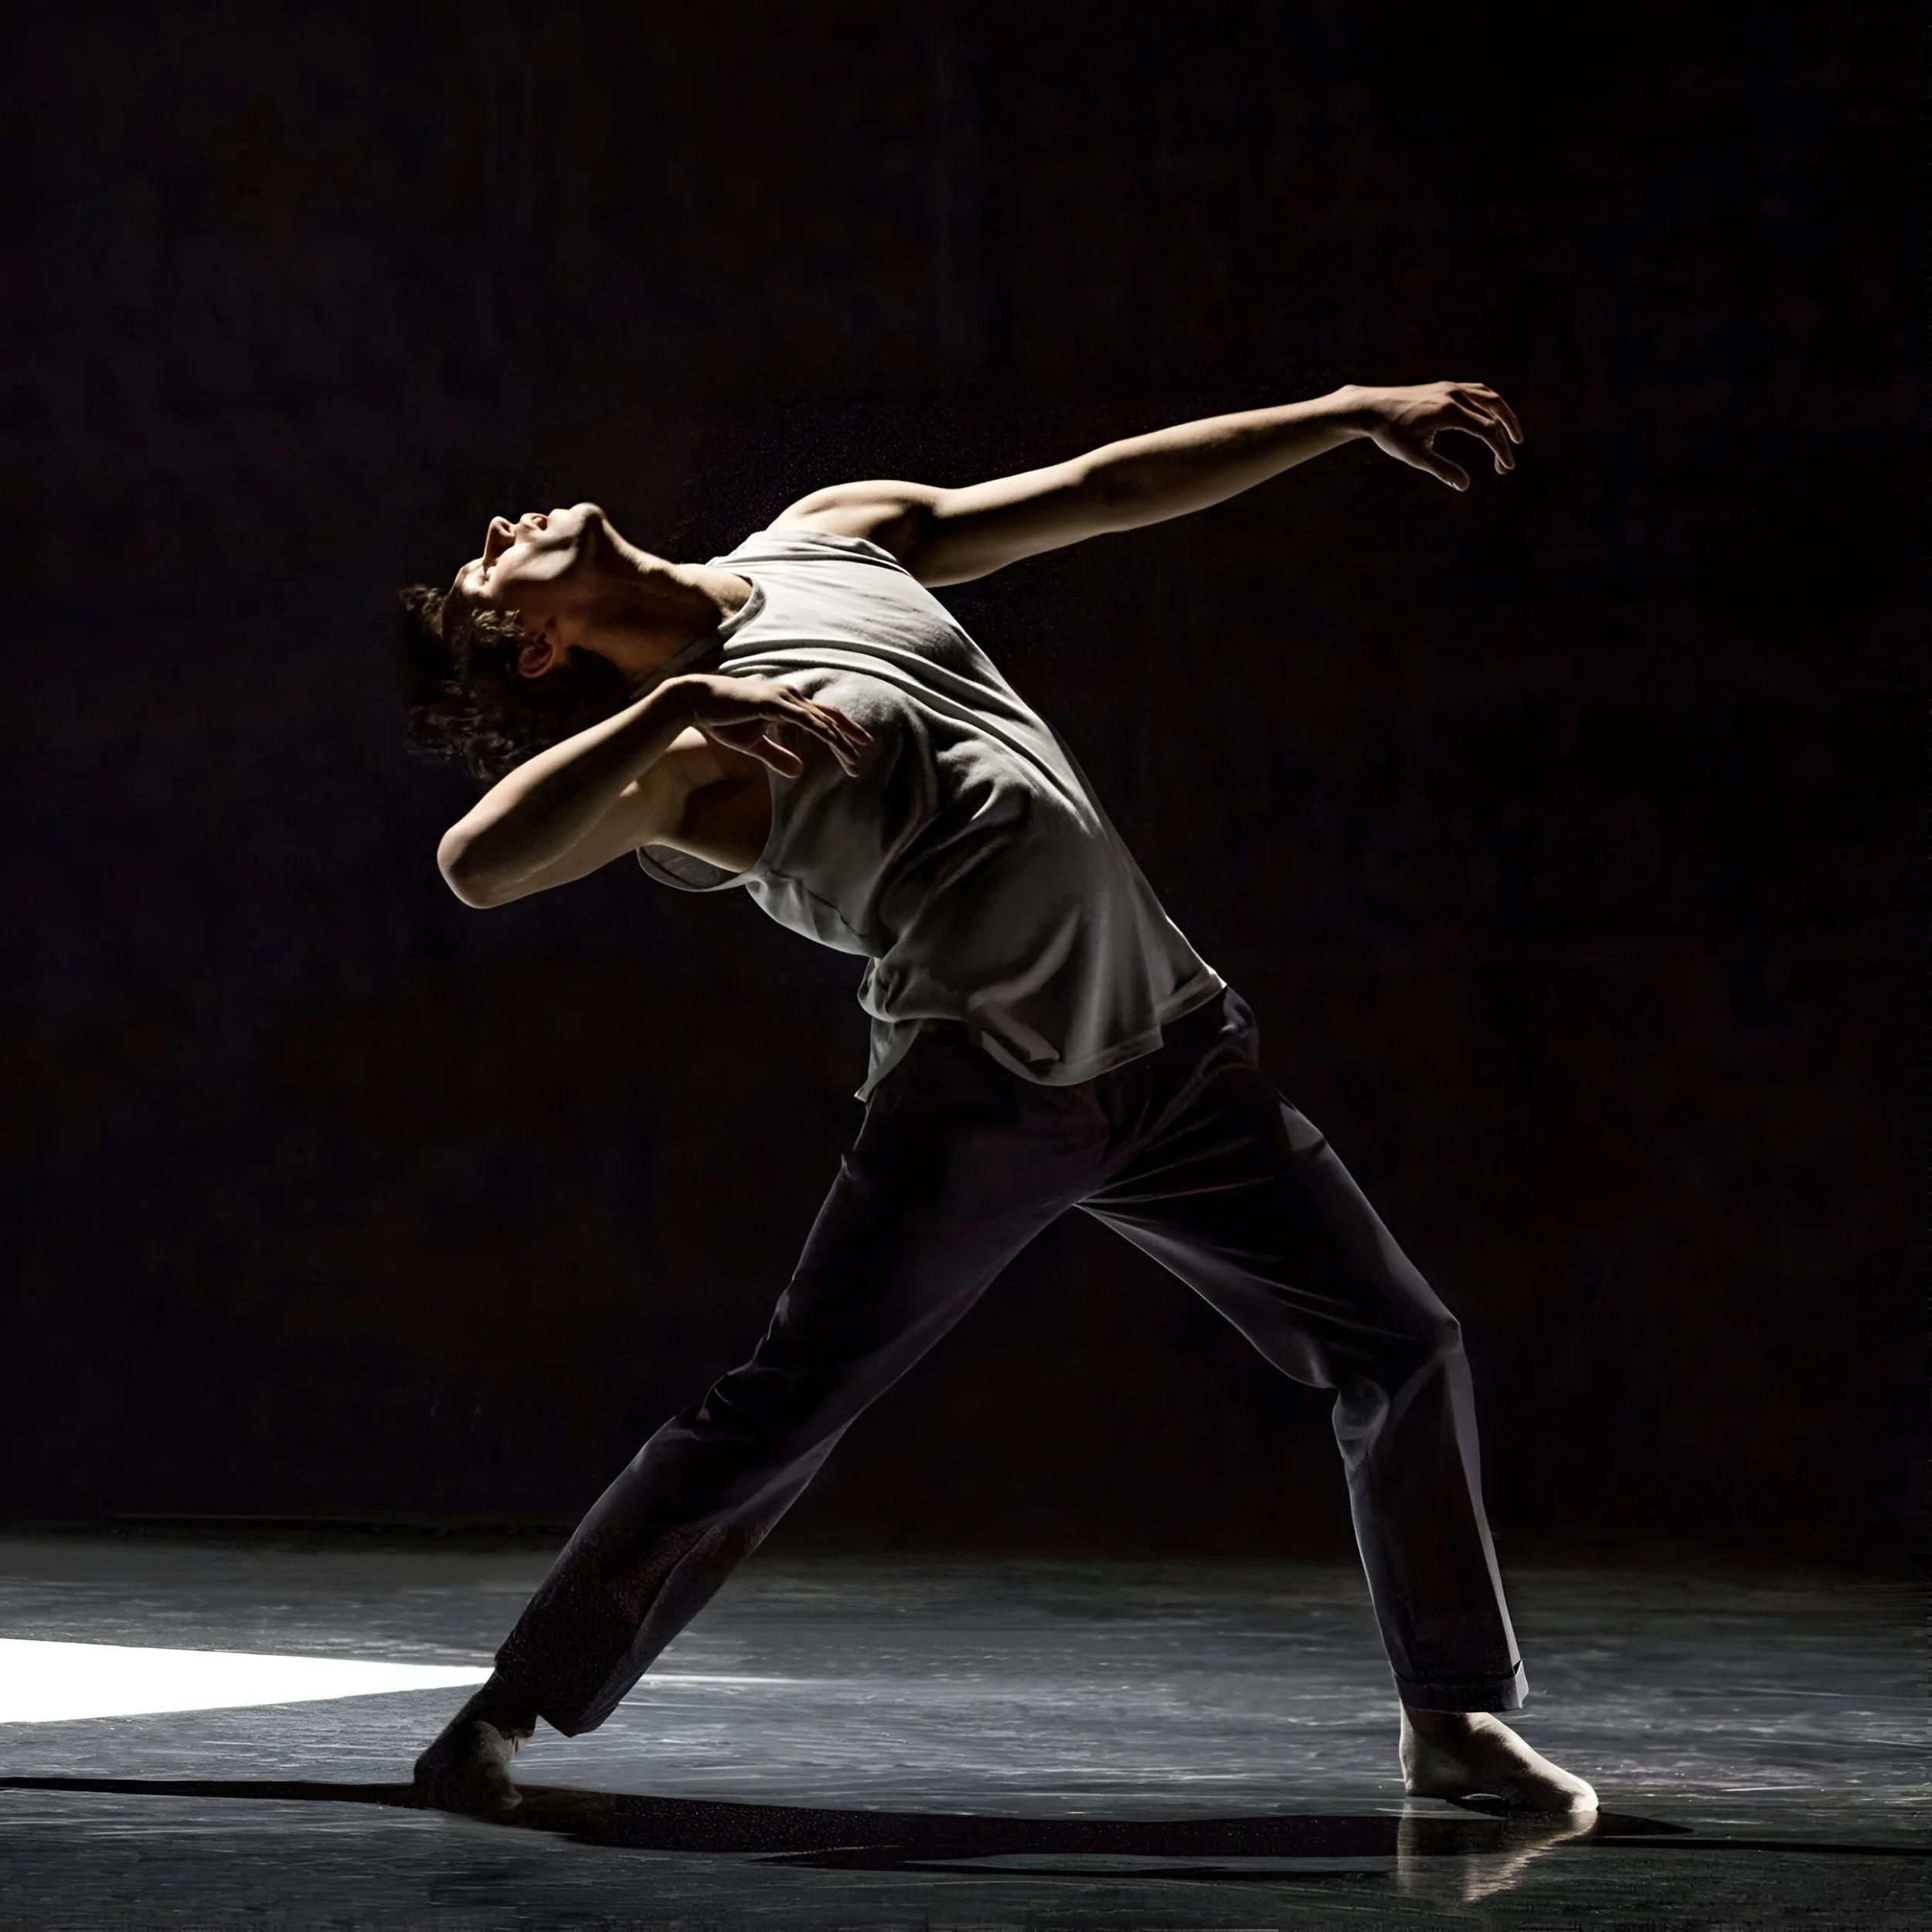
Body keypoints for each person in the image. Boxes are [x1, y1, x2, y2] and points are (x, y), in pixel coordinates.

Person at [398, 380, 1598, 1818]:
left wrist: (1346, 414)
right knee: (781, 1410)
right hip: (981, 1093)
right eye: (484, 567)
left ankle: (1451, 1718)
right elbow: (480, 862)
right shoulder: (678, 769)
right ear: (540, 643)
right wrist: (676, 702)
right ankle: (510, 1711)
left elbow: (1098, 488)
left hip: (1175, 1050)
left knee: (1402, 1343)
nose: (495, 525)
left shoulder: (827, 537)